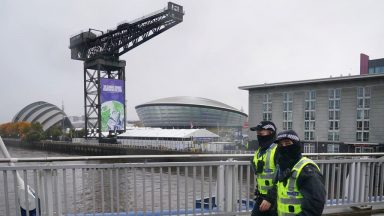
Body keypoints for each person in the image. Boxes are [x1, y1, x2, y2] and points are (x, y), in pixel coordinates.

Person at [272, 130, 326, 216]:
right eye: (280, 145)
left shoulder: (307, 170)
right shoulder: (283, 167)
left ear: (296, 145)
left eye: (287, 143)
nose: (284, 147)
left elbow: (314, 207)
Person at [250, 121, 278, 216]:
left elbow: (282, 178)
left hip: (275, 199)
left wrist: (270, 198)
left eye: (261, 132)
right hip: (261, 197)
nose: (258, 135)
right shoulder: (259, 151)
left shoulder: (278, 151)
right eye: (257, 133)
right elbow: (261, 175)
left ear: (271, 133)